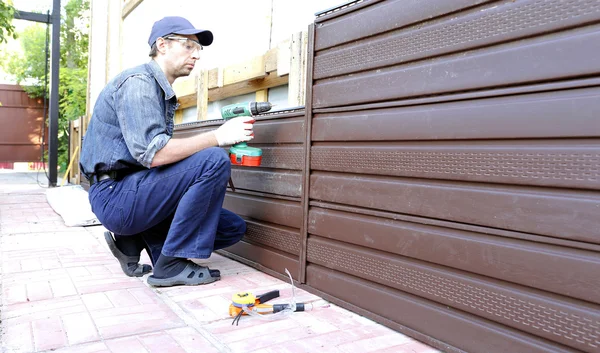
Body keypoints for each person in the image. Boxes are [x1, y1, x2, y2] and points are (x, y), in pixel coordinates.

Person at [80, 16, 253, 287]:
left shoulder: (160, 90)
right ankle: (169, 265)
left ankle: (135, 238)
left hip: (136, 191)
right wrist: (218, 136)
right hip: (115, 195)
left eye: (199, 49)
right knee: (214, 159)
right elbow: (154, 154)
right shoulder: (138, 83)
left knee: (232, 228)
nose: (196, 55)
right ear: (162, 45)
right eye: (188, 45)